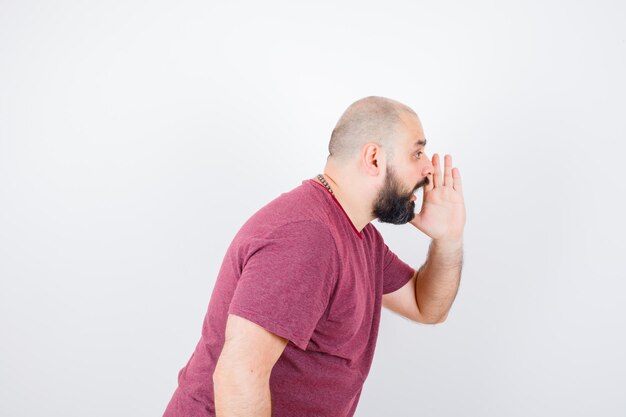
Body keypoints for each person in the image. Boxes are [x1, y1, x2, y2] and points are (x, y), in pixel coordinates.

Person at [163, 96, 466, 417]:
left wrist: (448, 239)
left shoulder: (361, 237)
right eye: (416, 153)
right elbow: (238, 375)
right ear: (374, 158)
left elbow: (425, 306)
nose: (428, 167)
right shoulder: (307, 235)